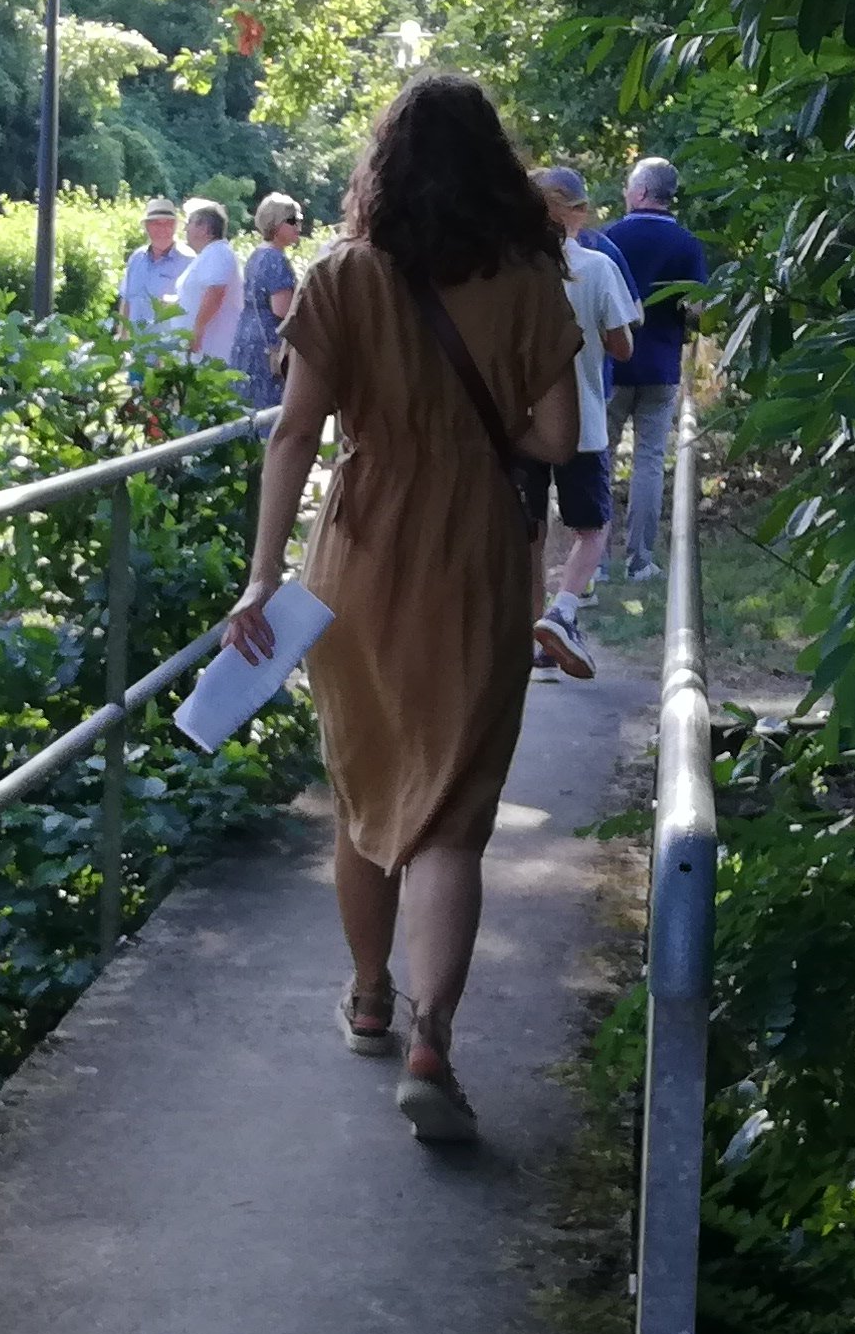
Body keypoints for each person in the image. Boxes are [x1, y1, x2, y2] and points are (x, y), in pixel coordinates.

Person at [220, 73, 577, 1147]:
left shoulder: (339, 278)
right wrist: (475, 451)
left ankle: (368, 994)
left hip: (358, 550)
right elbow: (558, 441)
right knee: (452, 815)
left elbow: (293, 435)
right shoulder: (530, 279)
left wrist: (262, 575)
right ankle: (433, 1040)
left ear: (385, 169)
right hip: (472, 550)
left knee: (367, 786)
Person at [529, 163, 639, 681]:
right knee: (591, 528)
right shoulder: (595, 267)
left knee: (528, 531)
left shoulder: (511, 270)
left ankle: (530, 630)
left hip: (522, 426)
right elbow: (622, 345)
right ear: (580, 212)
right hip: (583, 421)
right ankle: (563, 610)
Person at [596, 157, 712, 585]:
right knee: (648, 462)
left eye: (629, 186)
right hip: (661, 366)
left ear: (642, 192)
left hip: (610, 365)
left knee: (601, 460)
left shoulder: (608, 238)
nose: (625, 193)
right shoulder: (686, 244)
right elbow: (698, 309)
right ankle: (640, 559)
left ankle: (597, 561)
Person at [230, 192, 305, 408]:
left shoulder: (257, 254)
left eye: (299, 220)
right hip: (268, 345)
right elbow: (283, 309)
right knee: (269, 408)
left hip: (247, 336)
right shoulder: (275, 259)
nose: (298, 226)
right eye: (292, 221)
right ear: (275, 223)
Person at [175, 197, 243, 368]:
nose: (185, 228)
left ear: (205, 228)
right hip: (200, 354)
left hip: (211, 352)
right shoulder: (209, 254)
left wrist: (196, 332)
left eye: (190, 222)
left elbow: (215, 291)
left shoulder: (218, 253)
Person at [113, 196, 191, 340]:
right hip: (135, 349)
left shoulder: (188, 261)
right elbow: (127, 301)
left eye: (167, 223)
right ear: (146, 227)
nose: (162, 229)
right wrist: (122, 337)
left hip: (168, 349)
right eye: (156, 223)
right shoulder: (136, 258)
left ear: (174, 226)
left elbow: (192, 307)